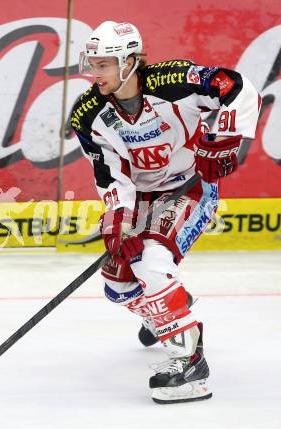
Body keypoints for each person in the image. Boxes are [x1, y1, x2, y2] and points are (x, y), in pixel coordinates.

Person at [71, 21, 260, 404]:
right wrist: (117, 222)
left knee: (153, 260)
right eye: (92, 63)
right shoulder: (87, 114)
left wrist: (225, 135)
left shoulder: (173, 80)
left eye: (104, 64)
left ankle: (190, 361)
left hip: (189, 187)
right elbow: (109, 174)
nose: (95, 73)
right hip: (140, 197)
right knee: (118, 284)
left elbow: (236, 87)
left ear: (129, 62)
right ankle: (170, 306)